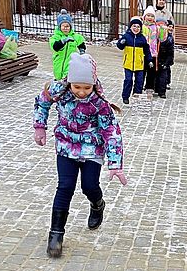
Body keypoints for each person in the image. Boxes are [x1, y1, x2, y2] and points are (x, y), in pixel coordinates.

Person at [33, 53, 127, 258]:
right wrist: (40, 127)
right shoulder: (59, 90)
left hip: (91, 150)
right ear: (69, 81)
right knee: (65, 187)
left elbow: (111, 131)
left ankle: (97, 203)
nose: (82, 92)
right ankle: (56, 234)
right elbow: (42, 103)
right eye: (77, 87)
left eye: (87, 87)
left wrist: (115, 163)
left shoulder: (99, 104)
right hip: (66, 147)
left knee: (89, 186)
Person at [117, 16, 151, 104]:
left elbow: (147, 50)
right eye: (134, 26)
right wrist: (121, 43)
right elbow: (120, 46)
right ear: (130, 27)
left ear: (141, 28)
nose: (136, 28)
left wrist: (150, 60)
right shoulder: (126, 36)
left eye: (138, 27)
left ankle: (137, 95)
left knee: (139, 81)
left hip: (139, 63)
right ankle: (125, 96)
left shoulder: (142, 38)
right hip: (128, 63)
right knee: (128, 80)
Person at [49, 9, 86, 80]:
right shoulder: (55, 37)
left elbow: (81, 44)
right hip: (59, 61)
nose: (65, 28)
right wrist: (63, 41)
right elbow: (55, 47)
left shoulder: (75, 37)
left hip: (71, 62)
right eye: (63, 26)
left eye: (67, 26)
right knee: (58, 76)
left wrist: (82, 51)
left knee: (68, 78)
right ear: (59, 27)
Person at [141, 6, 167, 95]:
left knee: (151, 73)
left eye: (152, 16)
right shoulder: (141, 26)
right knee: (141, 72)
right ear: (144, 16)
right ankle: (138, 88)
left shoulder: (156, 28)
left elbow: (162, 39)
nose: (150, 18)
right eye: (148, 15)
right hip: (142, 53)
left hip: (152, 54)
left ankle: (149, 89)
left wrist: (163, 30)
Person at [154, 20, 174, 99]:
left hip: (164, 60)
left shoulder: (167, 40)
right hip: (155, 60)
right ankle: (155, 88)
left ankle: (162, 91)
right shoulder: (153, 39)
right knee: (154, 75)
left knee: (163, 77)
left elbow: (170, 53)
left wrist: (167, 63)